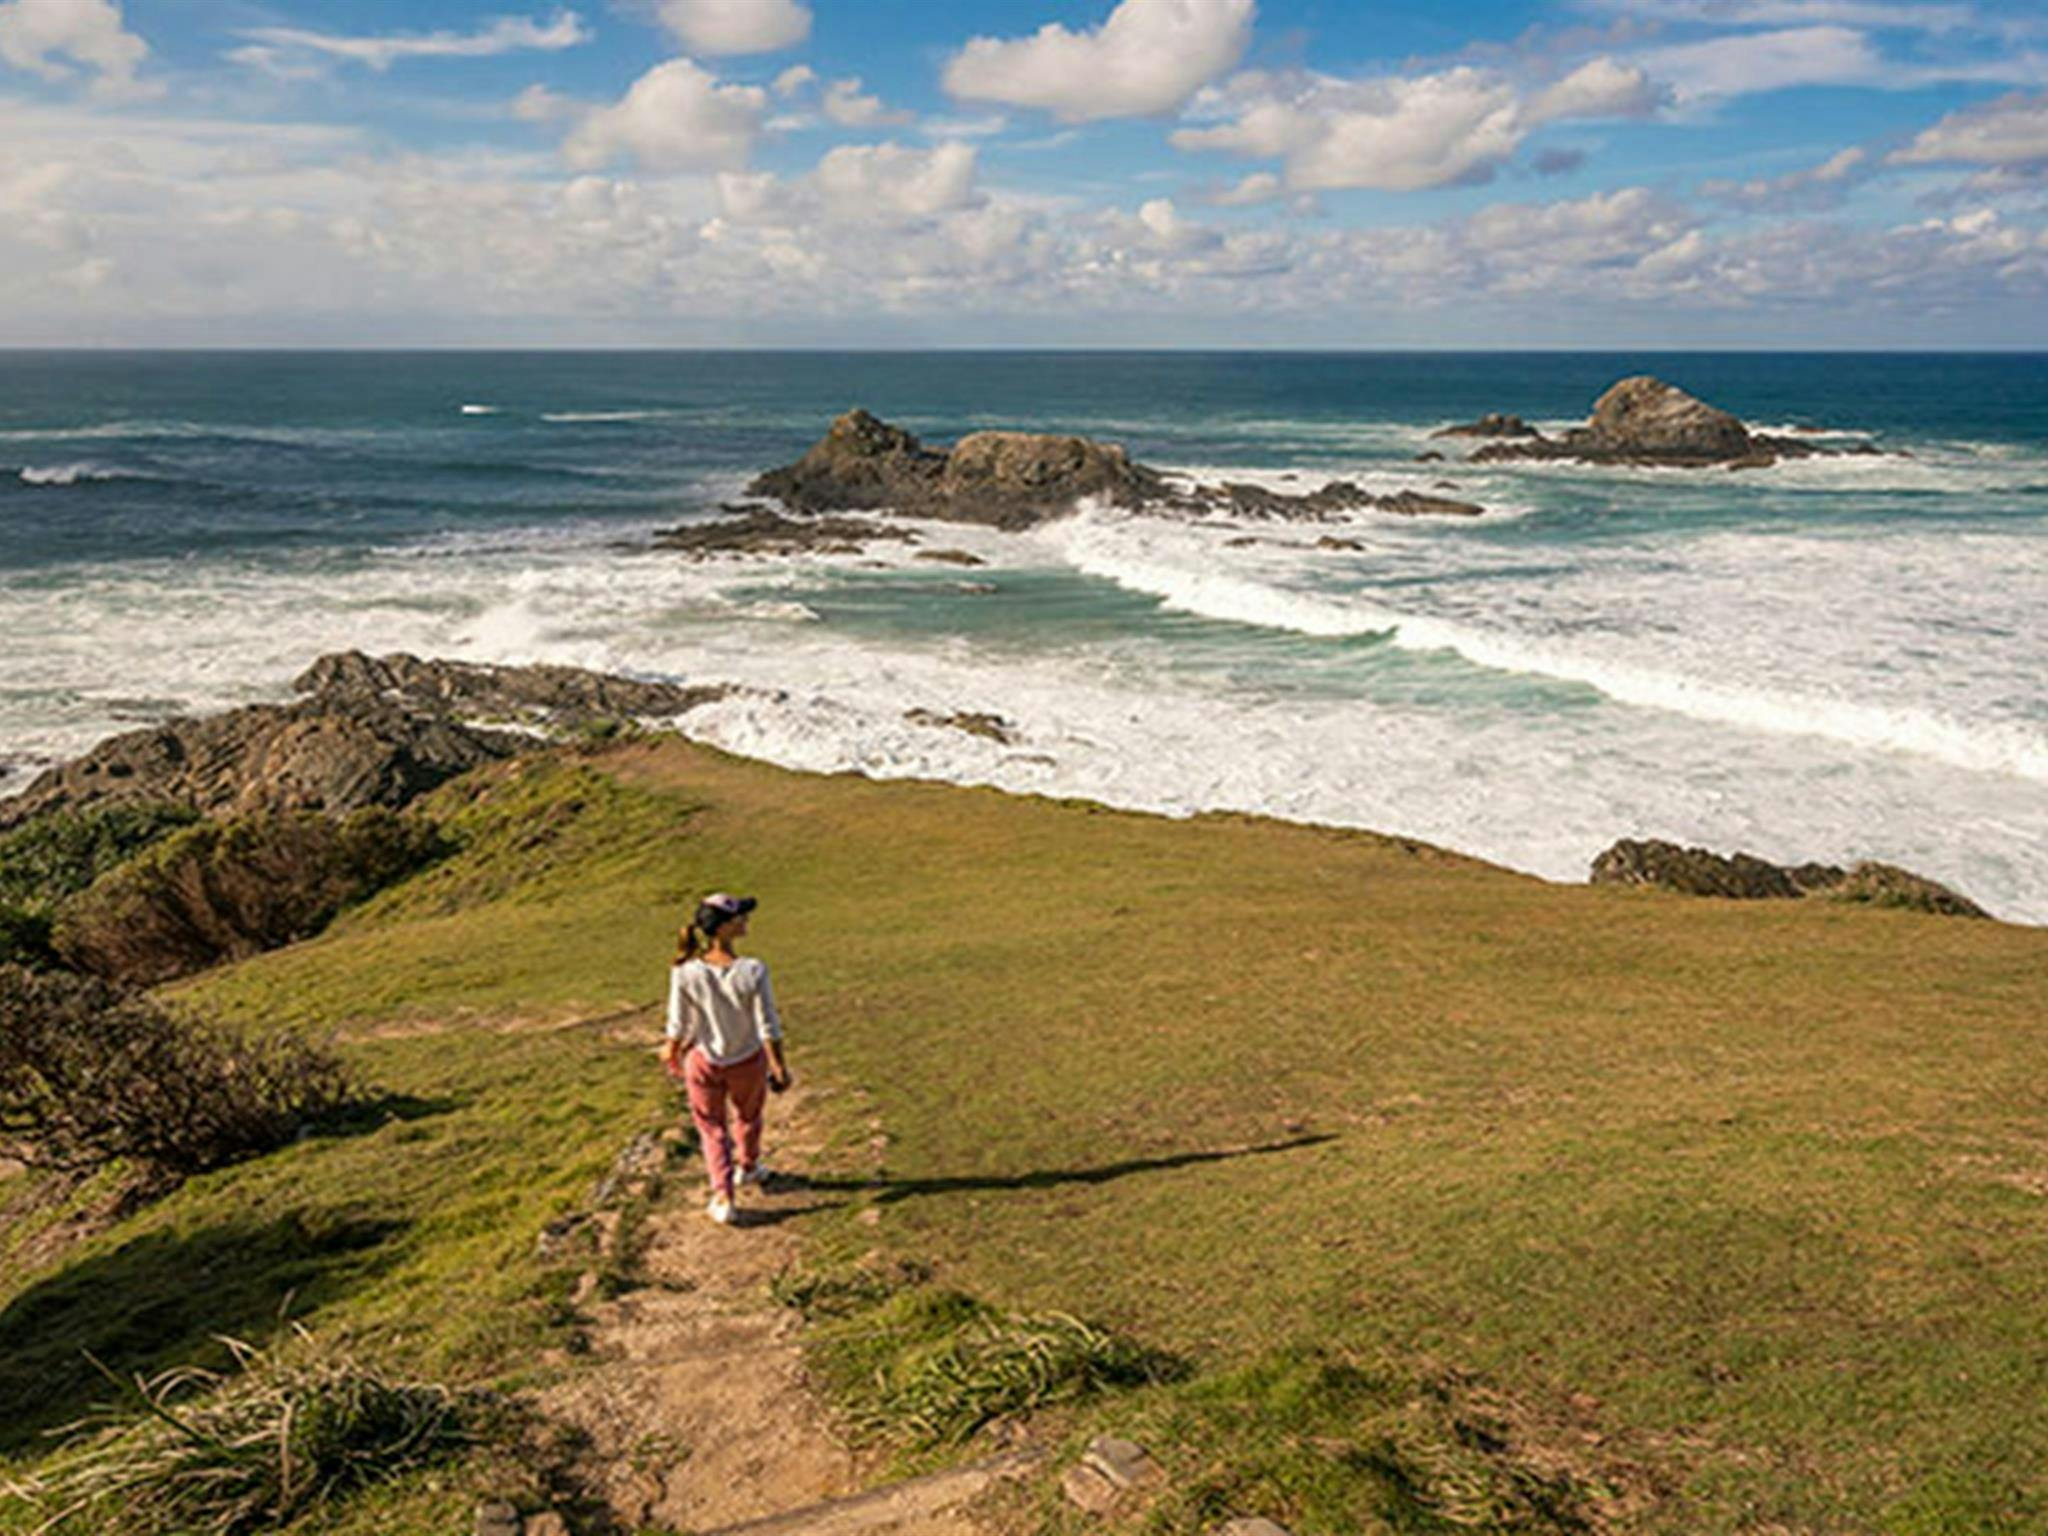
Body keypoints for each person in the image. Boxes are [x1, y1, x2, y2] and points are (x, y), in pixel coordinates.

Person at [660, 892, 793, 1225]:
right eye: (740, 918)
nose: (746, 921)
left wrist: (671, 1050)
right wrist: (779, 1067)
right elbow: (768, 1024)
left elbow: (679, 1021)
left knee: (711, 1128)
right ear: (724, 928)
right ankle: (747, 1167)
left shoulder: (685, 971)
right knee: (748, 1117)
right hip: (747, 1058)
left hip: (703, 1059)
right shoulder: (753, 970)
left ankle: (722, 1195)